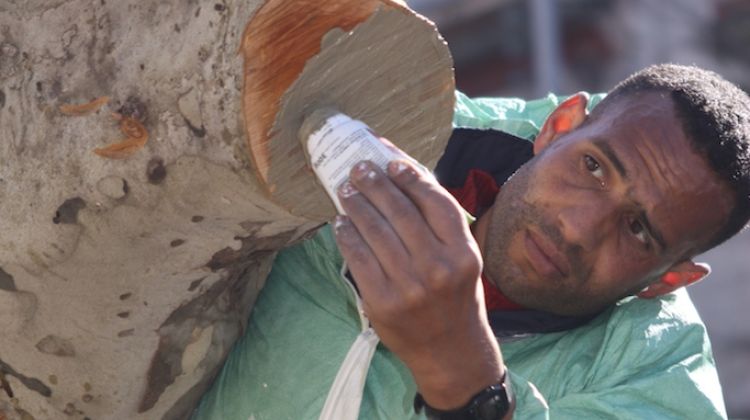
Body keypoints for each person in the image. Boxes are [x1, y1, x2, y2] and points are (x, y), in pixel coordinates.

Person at [193, 64, 750, 419]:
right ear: (557, 127)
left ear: (666, 281)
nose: (580, 228)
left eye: (638, 230)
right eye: (594, 167)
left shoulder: (657, 387)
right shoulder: (369, 137)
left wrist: (464, 381)